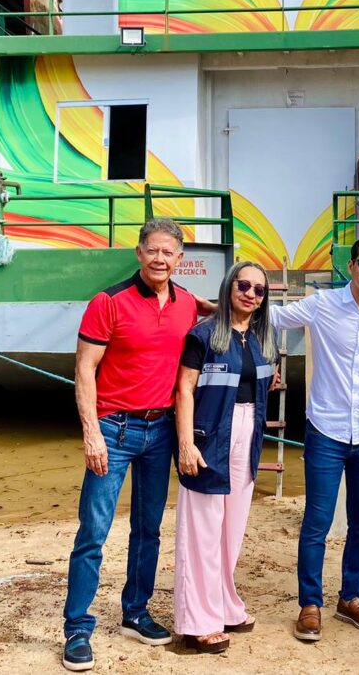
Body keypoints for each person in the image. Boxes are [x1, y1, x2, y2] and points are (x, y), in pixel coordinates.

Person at [62, 219, 203, 672]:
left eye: (169, 252)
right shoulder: (108, 302)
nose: (160, 259)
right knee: (93, 532)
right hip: (114, 429)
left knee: (148, 529)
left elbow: (225, 316)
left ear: (180, 259)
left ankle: (135, 612)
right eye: (153, 250)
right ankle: (77, 629)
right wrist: (91, 433)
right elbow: (84, 369)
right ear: (139, 253)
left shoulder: (187, 304)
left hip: (161, 430)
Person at [270, 236, 359, 642]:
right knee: (317, 521)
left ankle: (351, 598)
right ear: (351, 266)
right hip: (326, 430)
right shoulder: (322, 304)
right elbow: (272, 318)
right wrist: (212, 308)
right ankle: (310, 604)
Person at [174, 261, 278, 653]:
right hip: (210, 433)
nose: (251, 294)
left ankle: (223, 603)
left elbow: (262, 383)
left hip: (247, 433)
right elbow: (184, 390)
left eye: (259, 290)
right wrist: (186, 444)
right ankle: (197, 621)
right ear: (229, 286)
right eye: (243, 285)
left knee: (231, 528)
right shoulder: (203, 335)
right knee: (202, 529)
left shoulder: (261, 339)